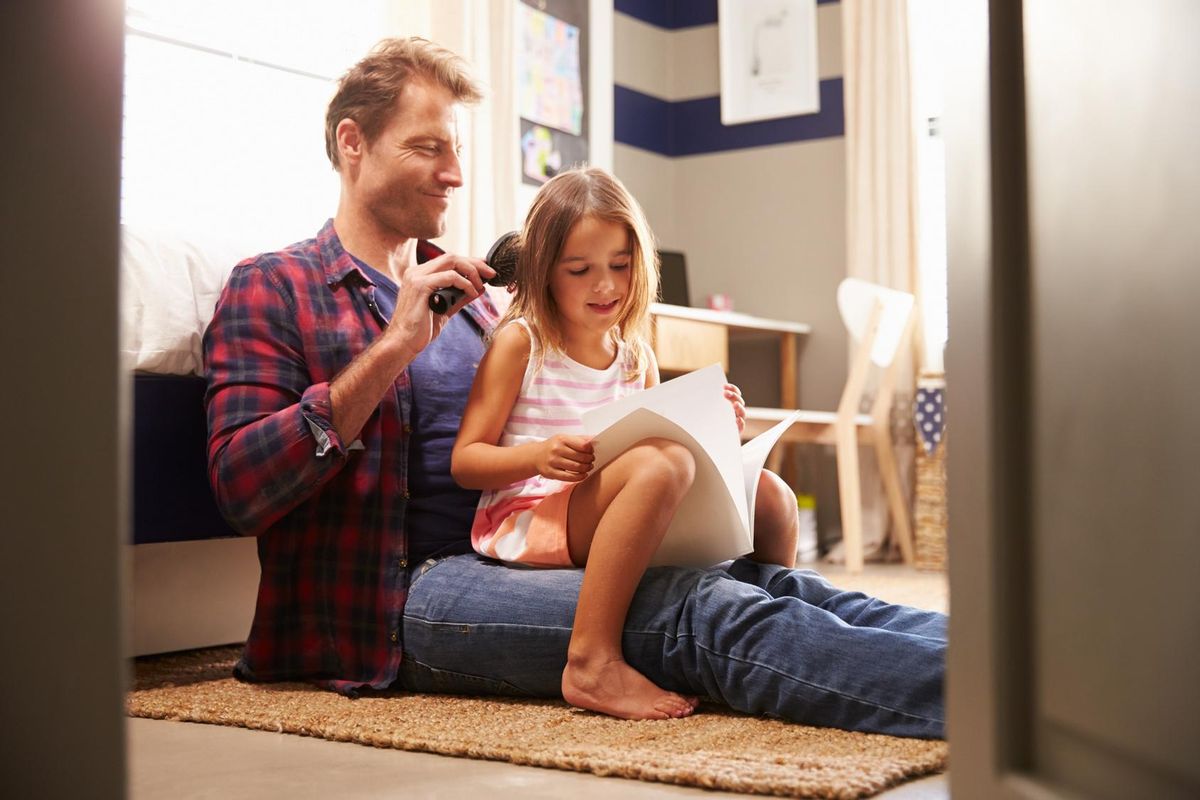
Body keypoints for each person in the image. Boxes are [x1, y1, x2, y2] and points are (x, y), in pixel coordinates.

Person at [204, 36, 947, 738]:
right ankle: (986, 698)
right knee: (697, 609)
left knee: (777, 586)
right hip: (401, 596)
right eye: (428, 148)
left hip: (526, 550)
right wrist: (394, 346)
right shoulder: (276, 285)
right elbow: (242, 488)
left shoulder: (481, 304)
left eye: (456, 151)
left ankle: (1017, 657)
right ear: (351, 144)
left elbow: (587, 420)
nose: (455, 175)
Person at [451, 167, 800, 721]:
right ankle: (590, 660)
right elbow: (466, 461)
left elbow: (666, 443)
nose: (606, 285)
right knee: (661, 466)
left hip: (616, 505)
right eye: (580, 270)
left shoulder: (636, 356)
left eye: (620, 265)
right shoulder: (521, 343)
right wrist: (536, 456)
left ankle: (772, 625)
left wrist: (713, 422)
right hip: (529, 517)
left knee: (773, 497)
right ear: (544, 271)